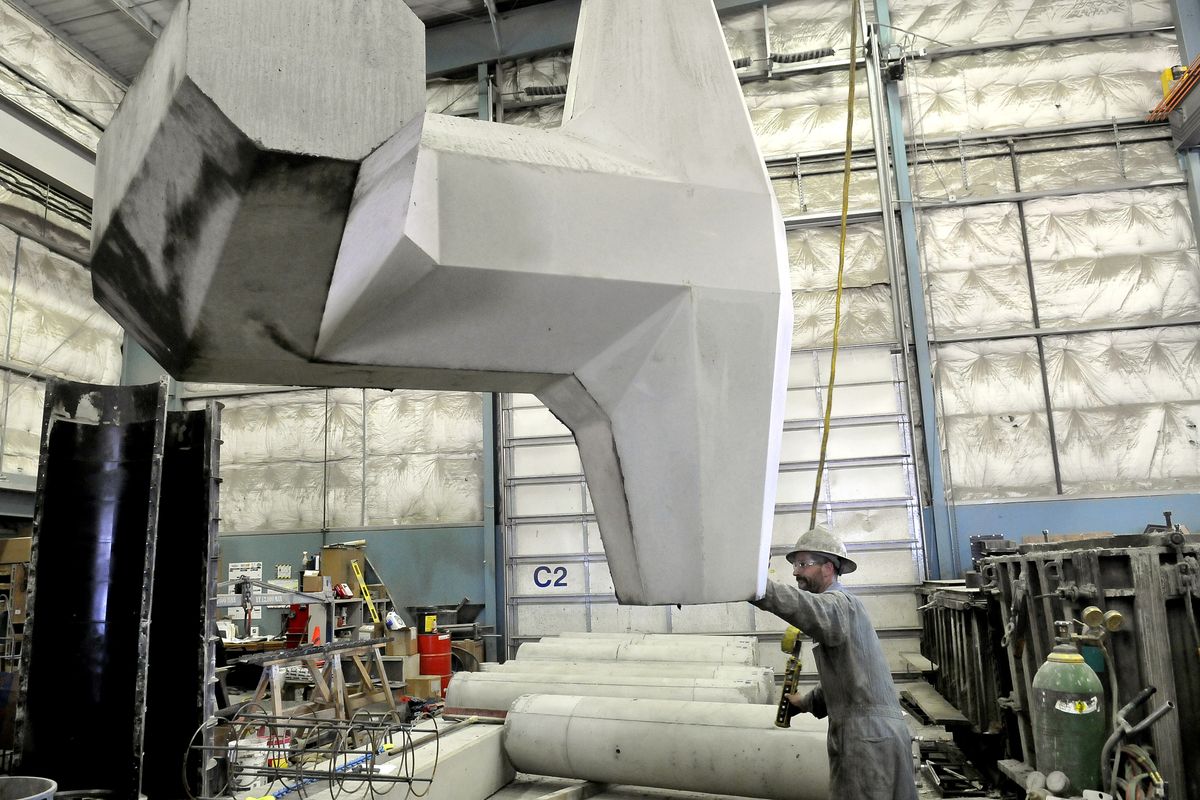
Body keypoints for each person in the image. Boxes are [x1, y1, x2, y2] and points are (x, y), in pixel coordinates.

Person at [751, 523, 918, 800]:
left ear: (828, 567)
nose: (795, 571)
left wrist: (758, 587)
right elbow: (846, 679)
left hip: (867, 738)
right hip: (872, 734)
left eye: (803, 563)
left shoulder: (839, 604)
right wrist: (804, 703)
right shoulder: (840, 611)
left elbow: (801, 605)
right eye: (795, 564)